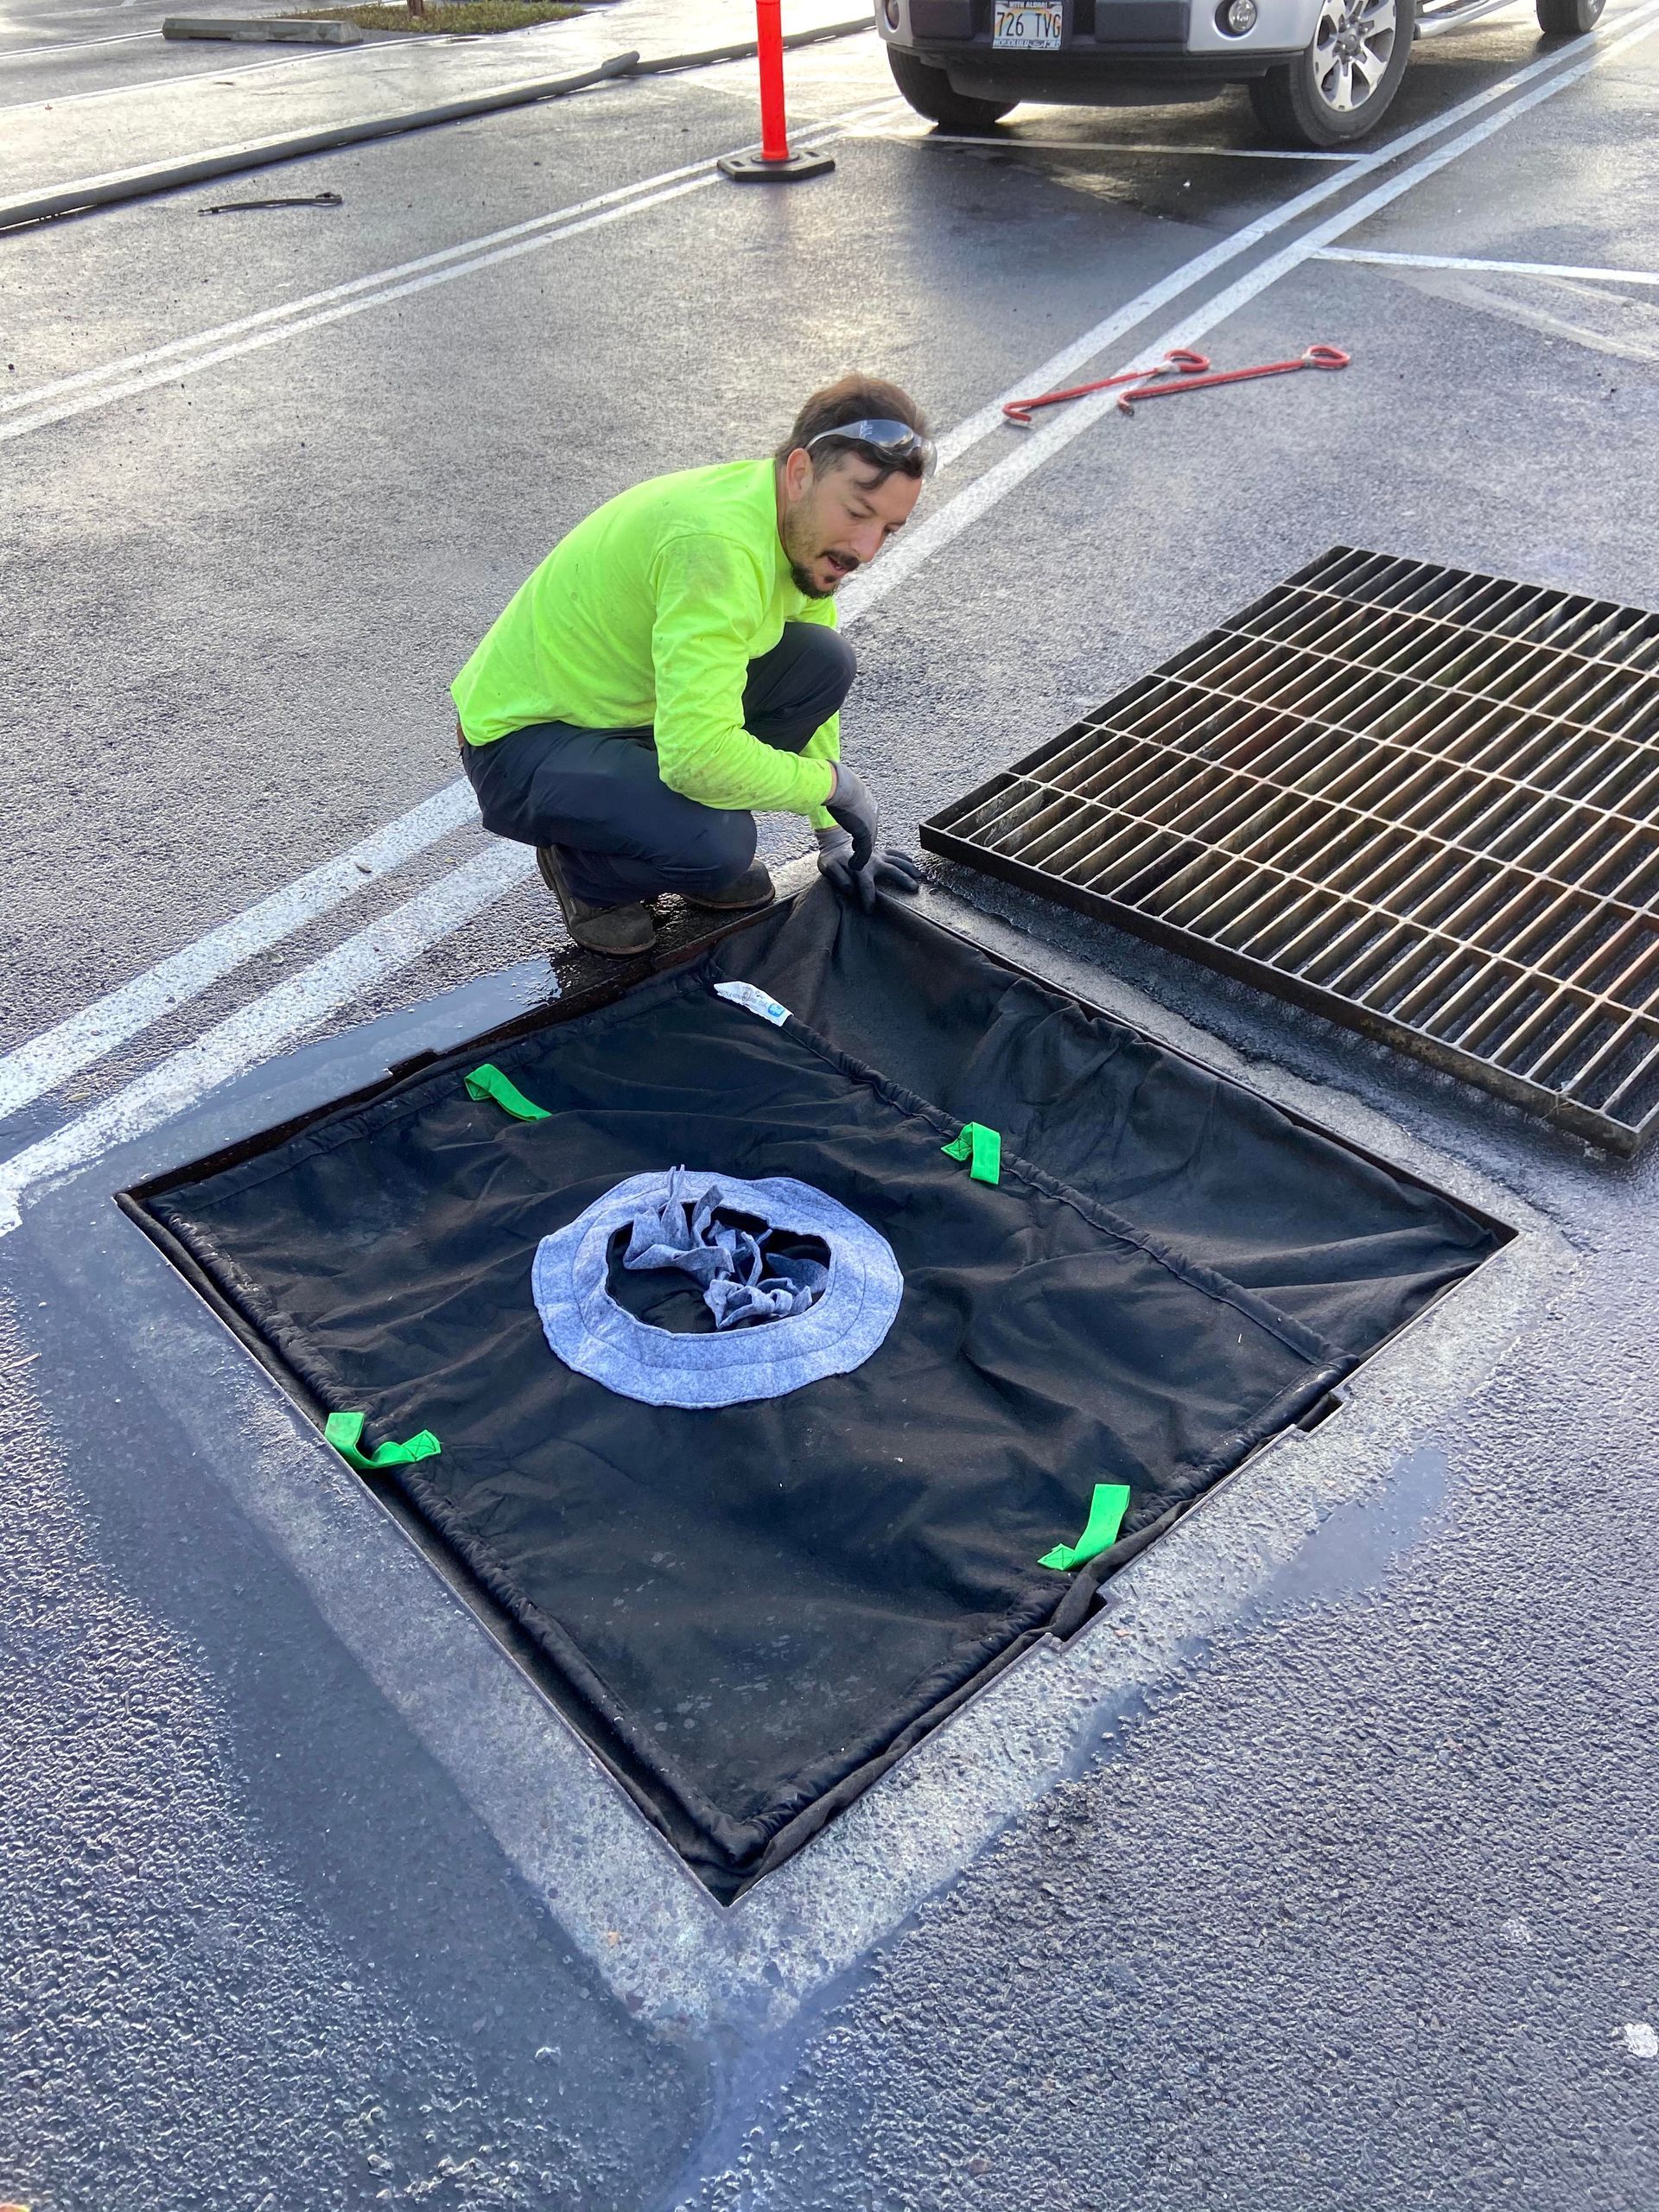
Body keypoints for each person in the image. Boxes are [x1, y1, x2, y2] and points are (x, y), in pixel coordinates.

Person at [451, 376, 931, 956]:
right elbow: (697, 759)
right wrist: (833, 785)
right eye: (858, 512)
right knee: (717, 845)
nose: (867, 548)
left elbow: (811, 682)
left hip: (629, 714)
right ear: (801, 471)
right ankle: (590, 877)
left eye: (888, 528)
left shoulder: (799, 533)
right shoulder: (716, 546)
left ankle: (658, 836)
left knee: (823, 662)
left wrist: (830, 830)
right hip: (524, 742)